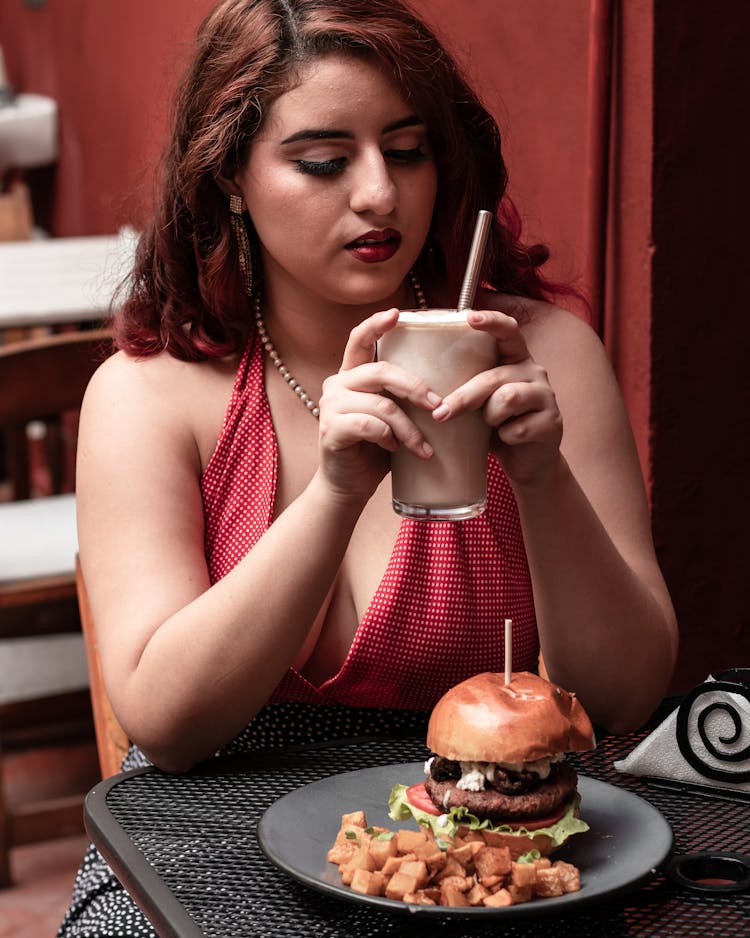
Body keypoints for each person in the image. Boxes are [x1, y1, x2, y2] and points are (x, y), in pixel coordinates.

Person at [59, 0, 678, 933]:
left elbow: (625, 697)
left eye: (408, 149)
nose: (380, 194)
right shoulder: (150, 395)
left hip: (486, 841)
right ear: (229, 173)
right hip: (207, 827)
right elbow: (168, 724)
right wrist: (337, 491)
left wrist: (543, 478)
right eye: (322, 161)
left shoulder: (544, 353)